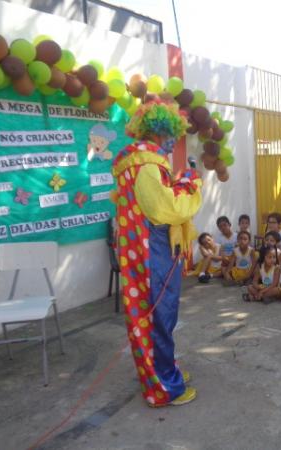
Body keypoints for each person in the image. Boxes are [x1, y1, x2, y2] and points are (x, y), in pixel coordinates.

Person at [113, 98, 202, 406]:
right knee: (160, 315)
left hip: (143, 249)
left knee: (156, 314)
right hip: (154, 251)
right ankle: (165, 387)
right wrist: (191, 186)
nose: (172, 143)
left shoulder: (137, 163)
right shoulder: (147, 165)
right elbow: (166, 208)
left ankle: (163, 370)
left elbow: (149, 203)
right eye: (170, 137)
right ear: (160, 132)